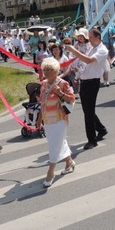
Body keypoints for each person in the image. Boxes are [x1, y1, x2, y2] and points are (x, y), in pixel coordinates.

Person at [64, 27, 108, 149]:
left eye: (91, 37)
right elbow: (82, 61)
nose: (89, 40)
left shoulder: (102, 50)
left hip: (93, 82)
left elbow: (88, 60)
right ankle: (101, 129)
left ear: (97, 37)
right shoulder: (92, 48)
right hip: (84, 81)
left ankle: (92, 140)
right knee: (87, 110)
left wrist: (74, 50)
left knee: (88, 112)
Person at [37, 57, 76, 187]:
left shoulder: (63, 83)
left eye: (50, 70)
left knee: (54, 145)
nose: (47, 72)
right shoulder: (43, 84)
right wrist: (39, 119)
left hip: (60, 118)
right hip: (47, 119)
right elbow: (42, 103)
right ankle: (69, 162)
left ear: (57, 71)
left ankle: (50, 172)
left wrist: (60, 93)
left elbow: (71, 99)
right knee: (58, 142)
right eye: (45, 70)